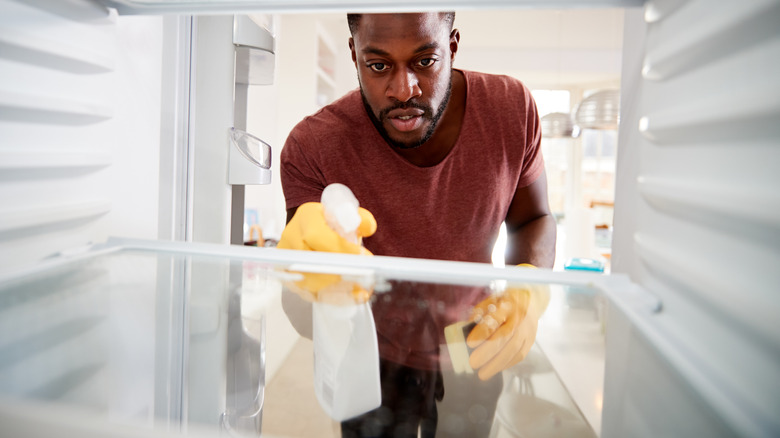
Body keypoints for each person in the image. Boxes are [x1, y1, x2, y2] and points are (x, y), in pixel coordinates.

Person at [277, 12, 556, 438]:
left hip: (473, 341)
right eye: (378, 65)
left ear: (453, 45)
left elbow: (535, 218)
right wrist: (301, 279)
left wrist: (528, 290)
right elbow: (302, 314)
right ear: (354, 54)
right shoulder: (313, 146)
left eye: (425, 61)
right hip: (373, 352)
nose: (404, 89)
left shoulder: (511, 109)